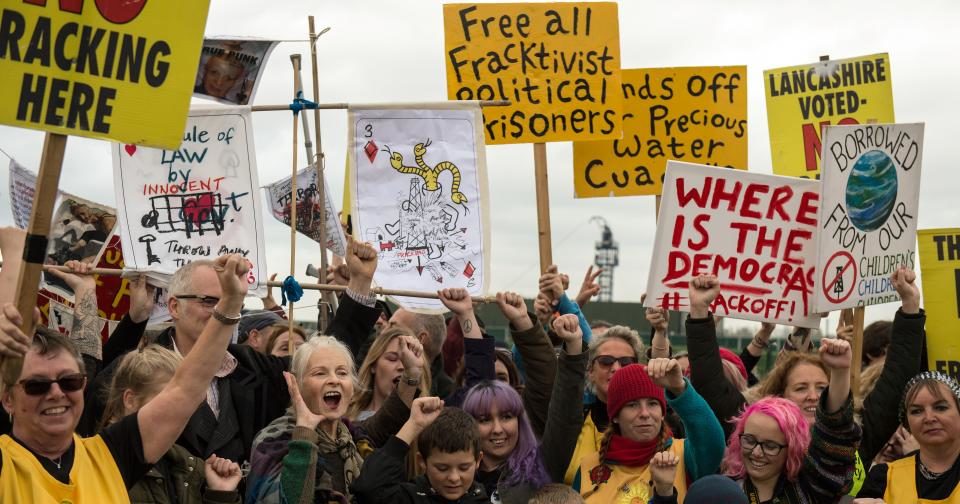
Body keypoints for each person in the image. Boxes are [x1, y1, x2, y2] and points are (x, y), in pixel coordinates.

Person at [80, 236, 384, 466]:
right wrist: (135, 320)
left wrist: (359, 283)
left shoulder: (254, 368)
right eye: (209, 301)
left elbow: (324, 357)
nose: (221, 310)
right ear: (174, 306)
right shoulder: (139, 372)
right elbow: (91, 402)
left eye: (230, 301)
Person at [0, 254, 249, 501]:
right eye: (37, 385)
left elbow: (186, 386)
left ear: (83, 386)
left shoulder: (110, 455)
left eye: (70, 382)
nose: (56, 393)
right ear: (7, 398)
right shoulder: (7, 463)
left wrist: (231, 303)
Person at [686, 269, 925, 480]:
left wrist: (910, 308)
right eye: (801, 388)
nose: (813, 396)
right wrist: (699, 311)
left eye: (822, 388)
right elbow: (711, 386)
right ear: (780, 395)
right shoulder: (753, 431)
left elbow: (896, 384)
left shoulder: (857, 435)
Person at [246, 334, 425, 503]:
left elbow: (388, 420)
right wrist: (304, 433)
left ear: (352, 388)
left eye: (342, 373)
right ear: (297, 385)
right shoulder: (272, 440)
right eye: (320, 373)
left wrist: (412, 372)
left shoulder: (354, 437)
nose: (334, 380)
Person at [461, 313, 587, 503]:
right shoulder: (455, 477)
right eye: (484, 419)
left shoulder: (541, 467)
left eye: (506, 417)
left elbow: (565, 416)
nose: (497, 429)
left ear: (520, 420)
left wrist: (574, 347)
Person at [721, 337, 861, 502]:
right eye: (749, 440)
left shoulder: (807, 490)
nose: (757, 452)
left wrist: (840, 372)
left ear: (793, 448)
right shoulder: (721, 491)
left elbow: (835, 433)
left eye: (771, 446)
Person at [101, 345, 243, 504]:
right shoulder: (97, 465)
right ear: (130, 400)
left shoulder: (187, 465)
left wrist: (220, 495)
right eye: (166, 399)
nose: (179, 410)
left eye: (185, 401)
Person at [576, 358, 725, 502]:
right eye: (632, 405)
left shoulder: (683, 456)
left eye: (653, 403)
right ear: (615, 416)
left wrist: (679, 388)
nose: (645, 413)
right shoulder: (588, 467)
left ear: (662, 414)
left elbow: (713, 444)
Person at [352, 400, 488, 503]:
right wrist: (413, 425)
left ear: (478, 460)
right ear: (422, 461)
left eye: (464, 468)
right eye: (442, 468)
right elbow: (369, 489)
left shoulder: (481, 498)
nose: (453, 478)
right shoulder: (410, 497)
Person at [857, 371, 960, 501]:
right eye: (917, 411)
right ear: (907, 422)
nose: (929, 418)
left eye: (940, 408)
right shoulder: (884, 477)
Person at [562, 325, 643, 484]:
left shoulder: (653, 422)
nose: (616, 369)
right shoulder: (571, 422)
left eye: (626, 362)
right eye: (606, 361)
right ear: (590, 371)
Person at [348, 326, 431, 422]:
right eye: (392, 358)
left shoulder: (425, 423)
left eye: (410, 362)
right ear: (373, 365)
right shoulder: (342, 418)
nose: (402, 367)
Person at [389, 308, 455, 399]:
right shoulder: (372, 372)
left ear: (420, 339)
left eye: (393, 327)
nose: (384, 332)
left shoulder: (447, 396)